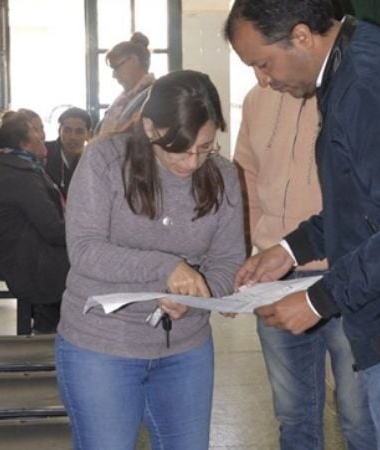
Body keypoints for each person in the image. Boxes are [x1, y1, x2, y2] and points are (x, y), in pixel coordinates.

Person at [225, 1, 380, 449]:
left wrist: (319, 300)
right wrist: (289, 250)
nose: (262, 80)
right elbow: (360, 205)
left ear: (301, 36)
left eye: (263, 64)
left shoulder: (369, 82)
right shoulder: (349, 70)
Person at [56, 70, 245, 449]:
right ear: (149, 127)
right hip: (101, 345)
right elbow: (85, 250)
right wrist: (166, 269)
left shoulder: (223, 175)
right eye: (179, 148)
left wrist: (198, 296)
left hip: (185, 349)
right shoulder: (105, 161)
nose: (192, 162)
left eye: (205, 147)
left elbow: (228, 261)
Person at [234, 84, 363, 449]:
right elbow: (246, 180)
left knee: (358, 413)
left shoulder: (343, 93)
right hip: (276, 276)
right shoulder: (256, 100)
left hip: (344, 274)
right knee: (293, 415)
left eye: (264, 61)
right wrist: (252, 253)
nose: (261, 74)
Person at [0, 111, 68, 334]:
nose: (42, 136)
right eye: (36, 132)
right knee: (92, 266)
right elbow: (54, 231)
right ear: (24, 143)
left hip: (26, 252)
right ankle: (55, 333)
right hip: (28, 263)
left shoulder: (16, 167)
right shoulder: (19, 176)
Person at [96, 32, 155, 135]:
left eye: (116, 67)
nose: (114, 75)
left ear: (133, 60)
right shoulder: (123, 99)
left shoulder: (153, 96)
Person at [45, 106, 93, 194]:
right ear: (59, 131)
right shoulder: (44, 153)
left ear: (88, 135)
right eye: (67, 130)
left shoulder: (93, 160)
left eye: (79, 132)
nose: (72, 137)